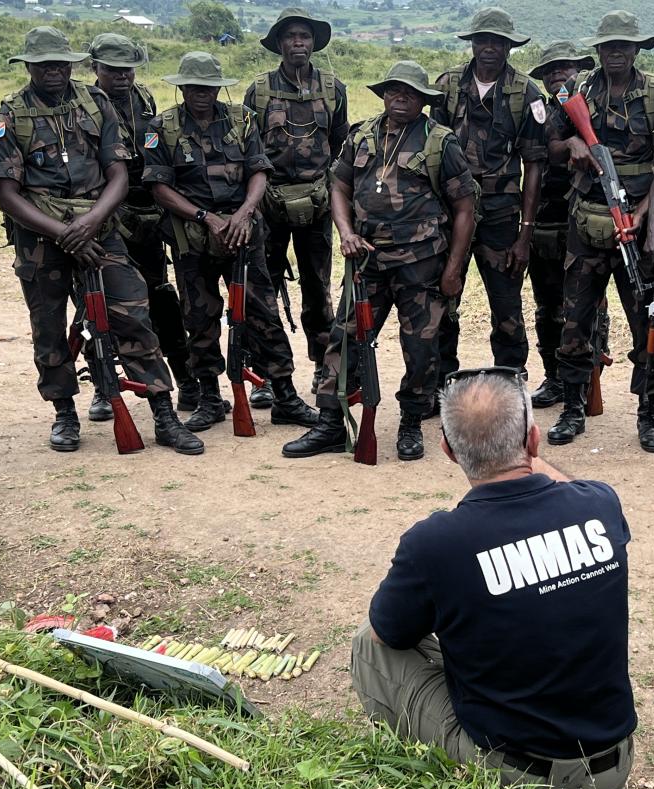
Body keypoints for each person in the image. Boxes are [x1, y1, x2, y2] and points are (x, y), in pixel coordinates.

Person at [351, 366, 636, 789]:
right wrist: (522, 446)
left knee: (367, 646)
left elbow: (384, 633)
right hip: (615, 762)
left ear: (447, 450)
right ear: (535, 440)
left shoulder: (434, 544)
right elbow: (563, 491)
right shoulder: (600, 504)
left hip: (521, 779)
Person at [0, 27, 202, 455]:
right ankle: (64, 413)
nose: (55, 71)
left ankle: (163, 413)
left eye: (62, 63)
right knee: (48, 325)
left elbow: (118, 172)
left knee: (133, 311)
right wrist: (65, 233)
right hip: (41, 240)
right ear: (29, 66)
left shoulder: (95, 102)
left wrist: (92, 220)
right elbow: (7, 193)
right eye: (45, 64)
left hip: (99, 230)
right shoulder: (9, 116)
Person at [281, 62, 476, 461]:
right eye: (392, 91)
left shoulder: (440, 142)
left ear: (423, 100)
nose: (399, 98)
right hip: (367, 261)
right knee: (344, 339)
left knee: (420, 347)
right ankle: (331, 423)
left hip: (421, 263)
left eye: (408, 92)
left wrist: (454, 268)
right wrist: (346, 233)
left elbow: (465, 208)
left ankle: (410, 421)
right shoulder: (362, 136)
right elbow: (338, 185)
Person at [142, 52, 318, 434]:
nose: (201, 94)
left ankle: (284, 395)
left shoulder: (241, 120)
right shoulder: (162, 127)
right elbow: (159, 187)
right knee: (200, 320)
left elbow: (258, 171)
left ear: (217, 88)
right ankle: (208, 398)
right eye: (193, 87)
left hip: (243, 234)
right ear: (182, 88)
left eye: (208, 87)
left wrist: (243, 214)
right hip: (194, 236)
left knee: (265, 315)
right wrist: (206, 218)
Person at [547, 10, 654, 451]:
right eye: (608, 46)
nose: (615, 53)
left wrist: (646, 212)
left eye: (624, 45)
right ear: (597, 51)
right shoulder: (577, 91)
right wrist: (574, 144)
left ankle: (648, 413)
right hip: (586, 217)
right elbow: (551, 143)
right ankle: (572, 407)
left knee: (646, 320)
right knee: (575, 319)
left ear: (637, 49)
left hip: (636, 223)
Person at [431, 7, 547, 383]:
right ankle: (439, 381)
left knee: (506, 303)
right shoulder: (447, 86)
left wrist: (525, 234)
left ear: (509, 47)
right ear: (473, 44)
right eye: (483, 40)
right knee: (444, 298)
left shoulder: (527, 93)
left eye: (498, 42)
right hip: (451, 211)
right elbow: (432, 149)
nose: (489, 48)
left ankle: (511, 378)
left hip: (500, 213)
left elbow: (534, 164)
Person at [85, 33, 196, 421]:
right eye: (113, 69)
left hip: (146, 213)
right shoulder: (86, 104)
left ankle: (185, 378)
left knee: (157, 296)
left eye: (128, 69)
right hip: (103, 215)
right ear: (95, 68)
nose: (122, 76)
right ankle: (104, 386)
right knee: (97, 304)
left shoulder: (144, 100)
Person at [247, 8, 346, 403]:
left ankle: (324, 367)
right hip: (269, 205)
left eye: (304, 36)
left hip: (317, 204)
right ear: (280, 44)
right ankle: (267, 374)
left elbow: (340, 144)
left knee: (317, 288)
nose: (298, 43)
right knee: (262, 289)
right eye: (290, 37)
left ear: (313, 42)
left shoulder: (333, 87)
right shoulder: (259, 90)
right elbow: (249, 149)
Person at [526, 41, 596, 409]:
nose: (558, 74)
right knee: (546, 306)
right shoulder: (538, 111)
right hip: (545, 220)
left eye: (564, 67)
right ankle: (553, 378)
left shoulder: (593, 105)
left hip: (582, 220)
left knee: (584, 308)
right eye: (550, 70)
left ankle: (584, 382)